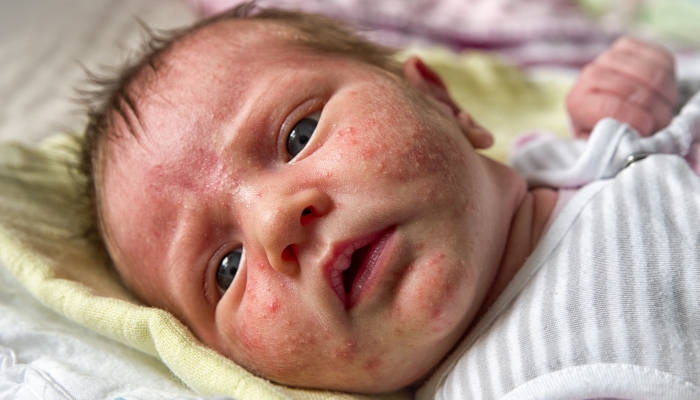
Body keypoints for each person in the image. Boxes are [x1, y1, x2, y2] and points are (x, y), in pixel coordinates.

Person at [79, 3, 700, 397]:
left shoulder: (580, 156)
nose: (274, 223)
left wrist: (638, 100)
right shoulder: (527, 378)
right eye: (226, 269)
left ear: (443, 102)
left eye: (299, 134)